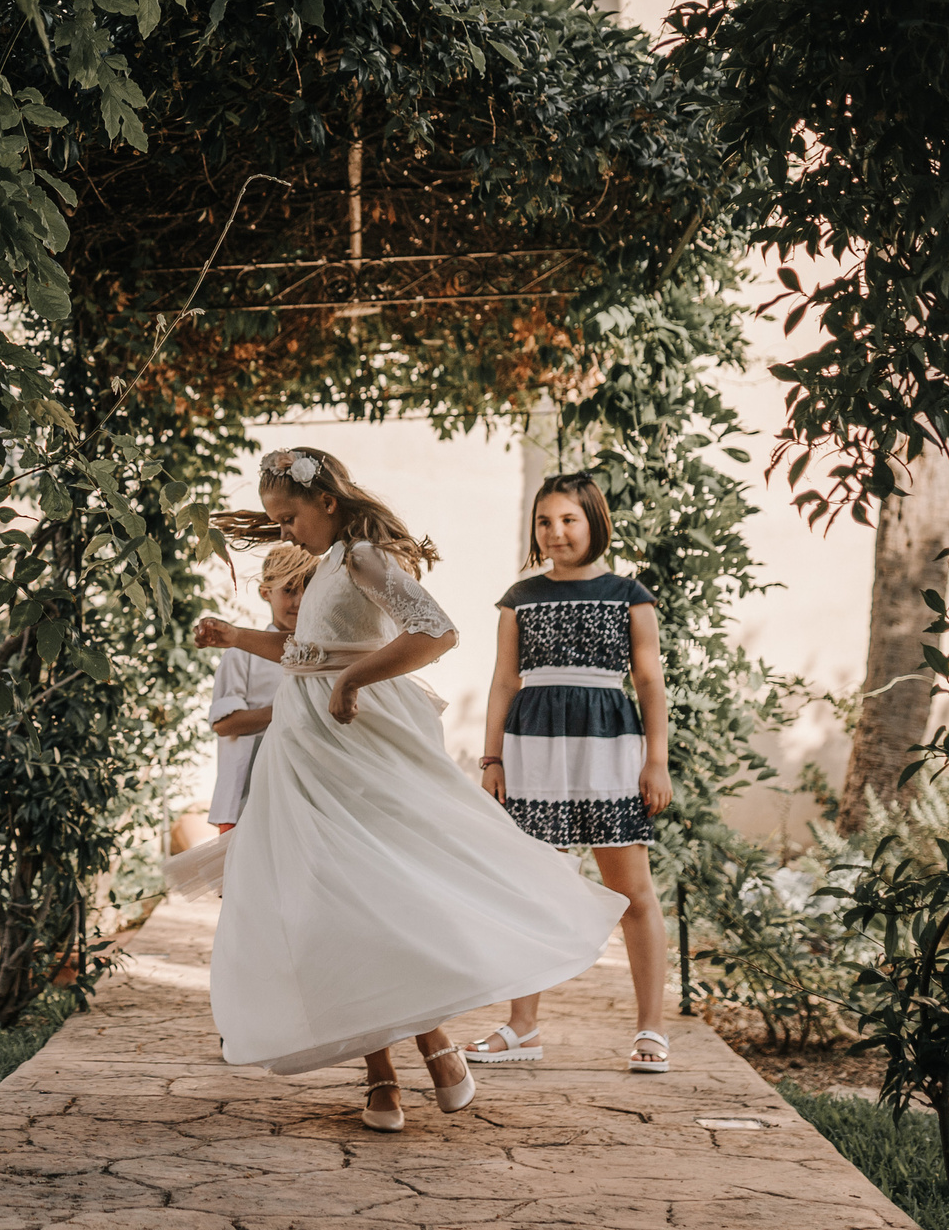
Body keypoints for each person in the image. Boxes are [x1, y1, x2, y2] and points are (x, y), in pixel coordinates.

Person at [187, 447, 625, 1132]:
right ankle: (384, 1072)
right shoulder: (326, 563)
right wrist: (234, 636)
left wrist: (354, 682)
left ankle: (436, 1046)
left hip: (356, 746)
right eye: (275, 522)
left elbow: (436, 633)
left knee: (382, 897)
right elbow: (308, 655)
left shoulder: (361, 557)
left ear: (326, 501)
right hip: (303, 756)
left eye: (290, 516)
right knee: (325, 907)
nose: (284, 532)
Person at [466, 470, 677, 1073]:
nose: (555, 532)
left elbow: (649, 681)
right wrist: (492, 759)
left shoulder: (628, 594)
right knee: (530, 889)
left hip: (609, 748)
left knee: (631, 891)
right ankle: (522, 1027)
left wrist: (655, 761)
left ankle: (651, 1030)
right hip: (533, 748)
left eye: (568, 520)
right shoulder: (520, 598)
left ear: (594, 523)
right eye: (544, 521)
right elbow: (504, 680)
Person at [206, 544, 318, 834]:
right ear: (265, 591)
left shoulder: (322, 654)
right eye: (289, 590)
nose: (299, 600)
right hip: (247, 795)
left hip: (305, 791)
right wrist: (290, 708)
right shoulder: (240, 653)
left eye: (308, 588)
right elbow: (224, 724)